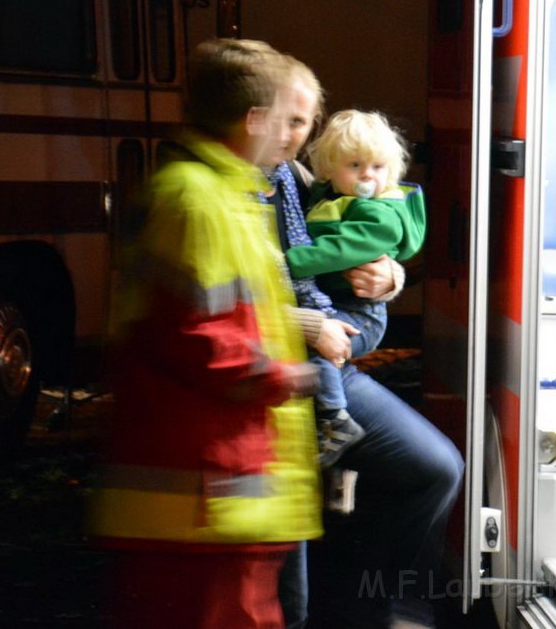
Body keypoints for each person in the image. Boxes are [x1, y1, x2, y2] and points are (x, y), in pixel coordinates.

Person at [87, 39, 323, 629]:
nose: (291, 137)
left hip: (212, 496)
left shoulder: (215, 192)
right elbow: (195, 335)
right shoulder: (200, 200)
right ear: (254, 120)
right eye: (284, 120)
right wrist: (282, 376)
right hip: (203, 500)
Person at [263, 56, 464, 629]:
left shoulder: (293, 179)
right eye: (285, 119)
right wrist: (312, 327)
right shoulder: (229, 190)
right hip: (286, 361)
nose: (293, 134)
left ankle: (385, 608)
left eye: (303, 121)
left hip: (327, 350)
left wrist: (391, 276)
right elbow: (234, 292)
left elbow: (366, 243)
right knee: (304, 525)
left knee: (435, 469)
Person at [287, 109, 426, 466]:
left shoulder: (380, 213)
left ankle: (336, 420)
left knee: (321, 349)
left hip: (360, 313)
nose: (367, 175)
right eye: (354, 165)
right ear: (330, 169)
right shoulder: (323, 193)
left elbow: (341, 248)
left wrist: (291, 263)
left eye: (378, 167)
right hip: (335, 305)